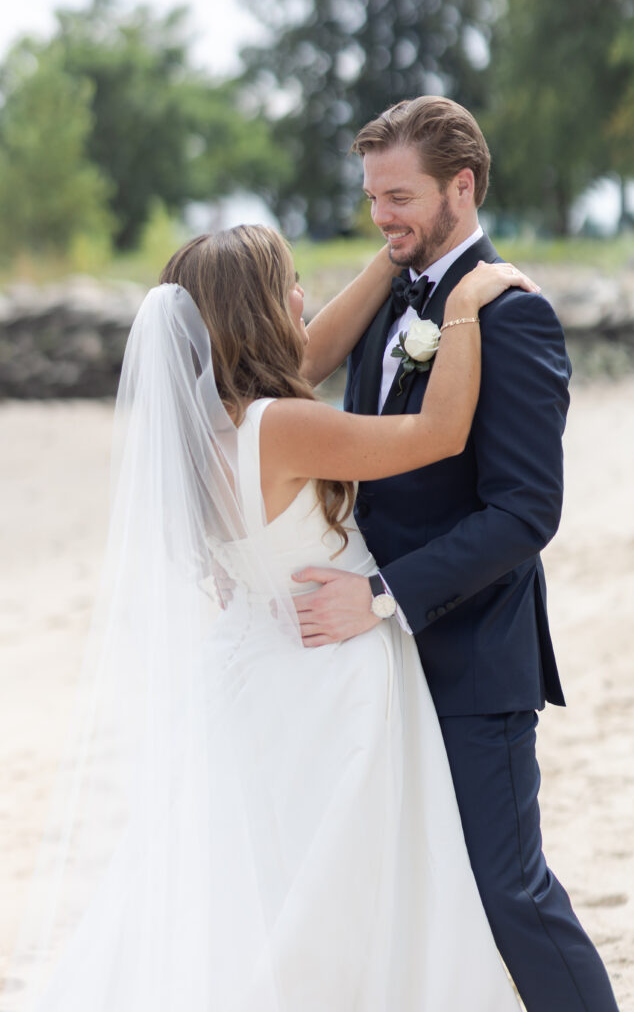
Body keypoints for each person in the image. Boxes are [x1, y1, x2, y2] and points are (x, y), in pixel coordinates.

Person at [5, 224, 537, 1012]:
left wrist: (390, 259)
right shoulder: (281, 427)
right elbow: (439, 432)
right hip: (331, 673)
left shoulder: (196, 433)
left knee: (260, 888)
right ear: (255, 309)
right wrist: (463, 302)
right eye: (287, 283)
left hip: (251, 673)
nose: (302, 296)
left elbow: (308, 355)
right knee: (340, 902)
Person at [294, 97, 620, 1012]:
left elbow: (525, 512)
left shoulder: (512, 314)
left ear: (461, 187)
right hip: (378, 667)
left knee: (507, 894)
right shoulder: (394, 296)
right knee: (411, 894)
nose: (380, 214)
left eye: (398, 194)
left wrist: (382, 596)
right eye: (370, 196)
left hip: (472, 657)